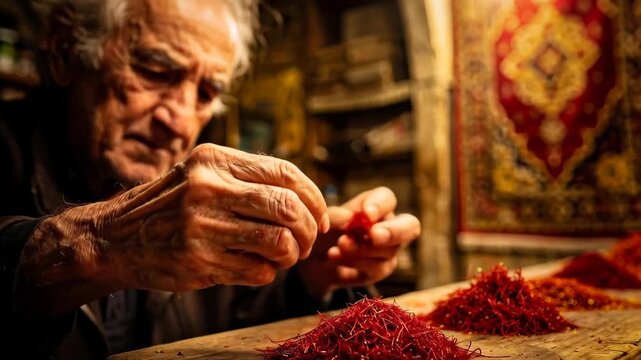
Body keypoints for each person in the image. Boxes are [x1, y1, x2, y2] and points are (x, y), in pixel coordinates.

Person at [0, 0, 421, 358]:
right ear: (64, 50)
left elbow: (230, 322)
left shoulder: (195, 203)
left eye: (205, 94)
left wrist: (309, 274)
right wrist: (101, 242)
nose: (180, 120)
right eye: (154, 71)